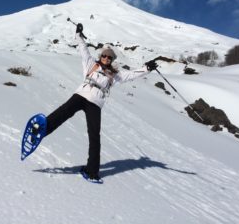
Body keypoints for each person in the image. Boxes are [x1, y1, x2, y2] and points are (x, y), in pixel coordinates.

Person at [44, 23, 158, 182]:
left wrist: (147, 68)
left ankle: (92, 171)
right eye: (104, 55)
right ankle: (41, 129)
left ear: (112, 60)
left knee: (94, 137)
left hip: (95, 103)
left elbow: (132, 75)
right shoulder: (91, 64)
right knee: (63, 112)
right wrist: (78, 34)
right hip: (81, 94)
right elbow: (83, 49)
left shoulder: (115, 74)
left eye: (110, 57)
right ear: (101, 56)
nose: (106, 58)